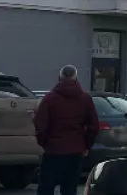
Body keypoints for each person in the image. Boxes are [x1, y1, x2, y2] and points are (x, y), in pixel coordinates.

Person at [34, 65, 99, 195]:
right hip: (75, 150)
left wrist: (45, 143)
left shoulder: (49, 99)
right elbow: (94, 126)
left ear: (59, 78)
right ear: (76, 78)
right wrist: (86, 145)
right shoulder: (85, 99)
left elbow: (40, 125)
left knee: (45, 188)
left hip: (53, 150)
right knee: (70, 189)